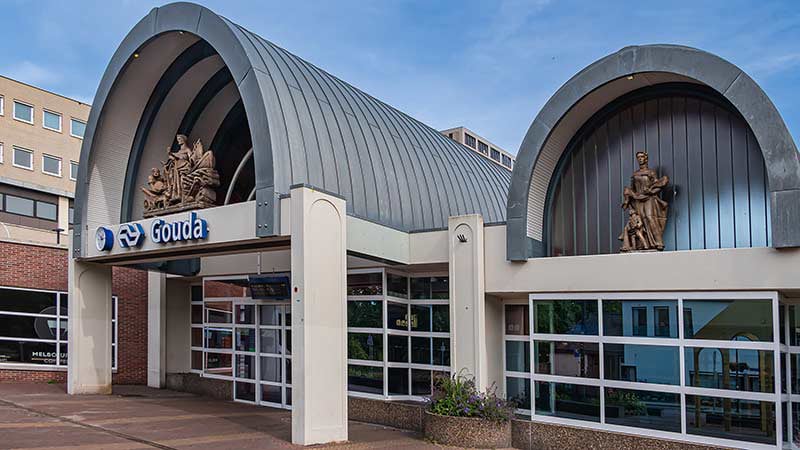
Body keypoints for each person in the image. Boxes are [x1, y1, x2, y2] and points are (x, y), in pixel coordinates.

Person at [620, 151, 669, 251]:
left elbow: (658, 186)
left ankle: (658, 242)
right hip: (637, 200)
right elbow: (632, 189)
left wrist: (650, 191)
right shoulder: (635, 174)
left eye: (642, 157)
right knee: (640, 221)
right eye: (638, 157)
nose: (640, 159)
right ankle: (642, 244)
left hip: (649, 199)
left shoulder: (651, 173)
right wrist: (627, 199)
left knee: (650, 218)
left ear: (646, 159)